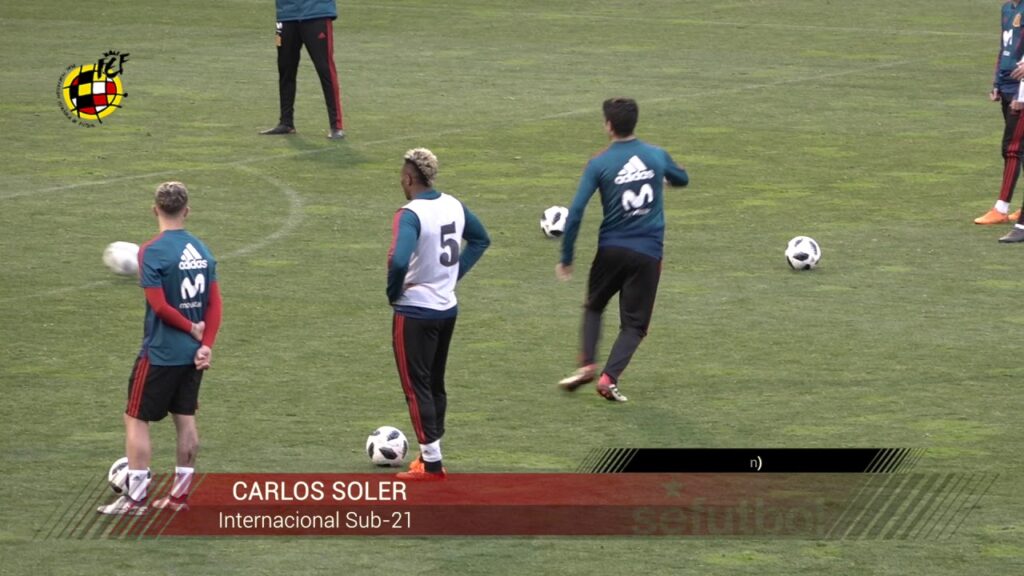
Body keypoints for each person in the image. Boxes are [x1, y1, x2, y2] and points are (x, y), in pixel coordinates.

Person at [98, 182, 223, 515]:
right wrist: (205, 344)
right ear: (187, 210)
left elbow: (159, 304)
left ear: (156, 210)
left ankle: (136, 499)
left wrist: (188, 326)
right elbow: (215, 304)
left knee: (136, 418)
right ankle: (179, 498)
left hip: (161, 352)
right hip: (193, 356)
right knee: (185, 421)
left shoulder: (151, 251)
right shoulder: (203, 250)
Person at [556, 98, 689, 402]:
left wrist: (566, 257)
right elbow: (683, 178)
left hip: (610, 250)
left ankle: (587, 363)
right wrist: (662, 178)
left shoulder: (599, 162)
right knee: (635, 325)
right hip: (648, 253)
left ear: (608, 125)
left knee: (593, 306)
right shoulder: (656, 155)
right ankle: (608, 378)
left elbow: (575, 212)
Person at [387, 148, 490, 480]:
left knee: (416, 387)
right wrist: (452, 275)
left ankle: (431, 465)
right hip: (446, 308)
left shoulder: (409, 214)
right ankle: (430, 453)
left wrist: (393, 291)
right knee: (434, 383)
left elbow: (399, 260)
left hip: (415, 311)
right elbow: (480, 239)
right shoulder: (454, 205)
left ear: (408, 178)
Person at [260, 0, 345, 139]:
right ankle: (286, 123)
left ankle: (336, 126)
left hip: (316, 13)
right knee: (285, 68)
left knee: (325, 69)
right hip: (286, 15)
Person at [975, 0, 1024, 226]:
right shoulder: (1006, 8)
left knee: (1012, 148)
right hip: (1006, 84)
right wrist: (996, 82)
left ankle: (1001, 208)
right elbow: (1003, 47)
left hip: (1020, 87)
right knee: (1019, 148)